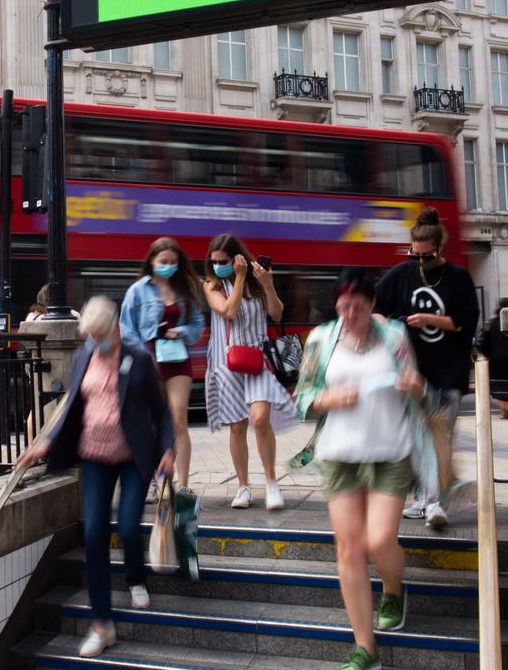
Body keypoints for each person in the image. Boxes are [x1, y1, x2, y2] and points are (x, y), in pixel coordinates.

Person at [16, 296, 175, 658]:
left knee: (130, 526)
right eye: (91, 336)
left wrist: (168, 449)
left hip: (132, 457)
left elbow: (162, 412)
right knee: (93, 535)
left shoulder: (138, 359)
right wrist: (46, 443)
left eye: (101, 335)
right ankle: (102, 625)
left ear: (116, 329)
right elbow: (71, 406)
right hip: (93, 458)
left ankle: (135, 576)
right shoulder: (84, 356)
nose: (96, 342)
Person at [293, 268, 429, 670]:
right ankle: (365, 647)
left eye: (357, 306)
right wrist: (329, 399)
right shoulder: (321, 338)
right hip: (339, 454)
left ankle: (393, 588)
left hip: (390, 449)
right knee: (349, 547)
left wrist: (415, 386)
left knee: (380, 539)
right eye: (342, 306)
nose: (349, 313)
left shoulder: (395, 337)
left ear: (371, 305)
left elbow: (421, 391)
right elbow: (303, 397)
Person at [374, 206, 478, 529]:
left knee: (441, 434)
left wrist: (431, 320)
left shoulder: (459, 278)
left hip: (449, 369)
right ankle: (424, 497)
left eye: (426, 256)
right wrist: (390, 329)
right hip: (412, 371)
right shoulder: (401, 274)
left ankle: (434, 501)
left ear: (440, 249)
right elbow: (375, 309)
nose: (419, 261)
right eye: (414, 254)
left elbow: (467, 322)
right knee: (416, 438)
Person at [203, 234, 298, 510]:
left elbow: (277, 314)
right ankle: (243, 486)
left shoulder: (257, 281)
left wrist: (267, 284)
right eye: (215, 261)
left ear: (238, 258)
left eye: (224, 261)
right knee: (237, 426)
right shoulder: (212, 285)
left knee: (259, 419)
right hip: (227, 362)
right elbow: (229, 311)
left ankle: (271, 483)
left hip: (256, 360)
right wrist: (239, 278)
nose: (219, 265)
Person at [120, 237, 204, 497]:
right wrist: (144, 351)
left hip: (178, 360)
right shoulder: (138, 290)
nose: (168, 266)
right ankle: (156, 482)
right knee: (153, 422)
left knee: (179, 418)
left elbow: (197, 324)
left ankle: (183, 485)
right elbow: (126, 328)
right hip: (150, 362)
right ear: (152, 261)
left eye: (173, 262)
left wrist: (180, 331)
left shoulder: (184, 290)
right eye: (163, 261)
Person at [473, 298, 508, 419]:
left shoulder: (491, 324)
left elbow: (480, 341)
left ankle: (503, 410)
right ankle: (504, 410)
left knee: (498, 384)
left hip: (495, 358)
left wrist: (486, 354)